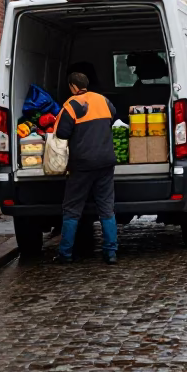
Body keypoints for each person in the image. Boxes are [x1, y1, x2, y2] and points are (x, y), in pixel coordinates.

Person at [54, 70, 119, 265]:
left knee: (72, 209)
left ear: (72, 87)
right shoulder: (103, 100)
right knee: (107, 208)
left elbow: (62, 134)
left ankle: (65, 254)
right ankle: (111, 253)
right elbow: (113, 116)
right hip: (106, 161)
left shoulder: (71, 105)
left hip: (82, 164)